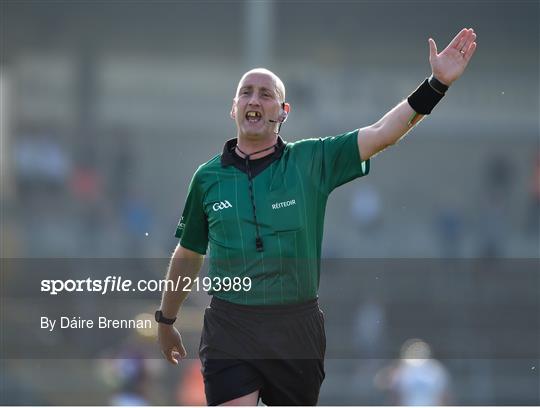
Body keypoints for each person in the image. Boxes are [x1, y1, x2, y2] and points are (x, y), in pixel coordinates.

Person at [157, 28, 477, 406]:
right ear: (234, 108)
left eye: (266, 94)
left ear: (283, 111)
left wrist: (436, 84)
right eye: (246, 92)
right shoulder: (207, 177)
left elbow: (381, 133)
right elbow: (189, 253)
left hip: (297, 327)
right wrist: (166, 320)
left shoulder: (312, 160)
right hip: (231, 325)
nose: (254, 99)